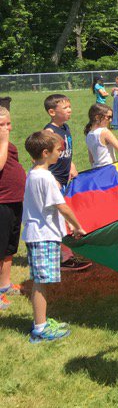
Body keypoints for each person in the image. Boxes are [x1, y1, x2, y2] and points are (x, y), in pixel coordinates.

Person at [21, 129, 87, 342]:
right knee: (41, 282)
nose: (61, 154)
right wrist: (77, 226)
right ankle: (40, 328)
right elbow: (63, 207)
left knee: (42, 281)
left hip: (38, 234)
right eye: (58, 150)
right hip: (42, 236)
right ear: (46, 152)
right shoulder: (46, 178)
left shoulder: (34, 173)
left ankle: (41, 321)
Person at [42, 94, 91, 272]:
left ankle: (63, 254)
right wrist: (52, 180)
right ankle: (65, 258)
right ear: (52, 112)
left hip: (63, 179)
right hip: (53, 181)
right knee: (59, 218)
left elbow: (64, 151)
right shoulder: (49, 133)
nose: (70, 110)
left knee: (61, 217)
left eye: (70, 106)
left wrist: (71, 164)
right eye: (65, 108)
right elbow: (42, 160)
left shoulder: (65, 127)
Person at [0, 106, 27, 308]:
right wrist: (3, 140)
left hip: (15, 200)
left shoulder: (9, 145)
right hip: (2, 203)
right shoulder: (3, 144)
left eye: (8, 124)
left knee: (10, 247)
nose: (6, 128)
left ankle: (5, 285)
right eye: (1, 125)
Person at [84, 103, 118, 167]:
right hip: (109, 170)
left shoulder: (88, 134)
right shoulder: (105, 132)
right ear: (97, 117)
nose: (110, 120)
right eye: (108, 117)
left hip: (96, 171)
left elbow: (91, 159)